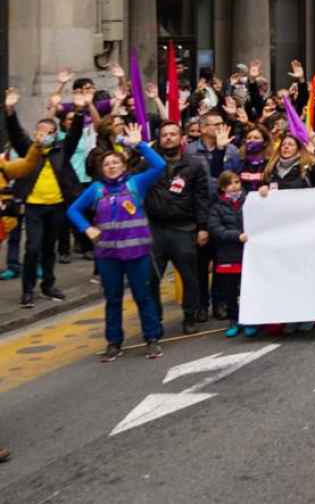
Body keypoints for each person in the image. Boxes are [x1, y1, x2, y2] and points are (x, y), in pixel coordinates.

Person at [67, 132, 168, 361]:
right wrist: (86, 228)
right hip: (107, 255)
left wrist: (138, 144)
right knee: (113, 299)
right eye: (106, 164)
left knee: (143, 296)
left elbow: (159, 165)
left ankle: (152, 340)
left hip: (137, 253)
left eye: (115, 162)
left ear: (124, 166)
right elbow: (72, 210)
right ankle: (113, 343)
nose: (111, 166)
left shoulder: (136, 183)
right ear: (101, 169)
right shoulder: (95, 190)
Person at [4, 88, 88, 308]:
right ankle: (28, 290)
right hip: (33, 207)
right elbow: (14, 132)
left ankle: (48, 285)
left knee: (50, 248)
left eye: (48, 131)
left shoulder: (62, 149)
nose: (43, 134)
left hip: (57, 206)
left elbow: (76, 133)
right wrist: (10, 110)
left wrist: (79, 110)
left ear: (55, 134)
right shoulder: (28, 150)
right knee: (32, 248)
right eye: (40, 131)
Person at [145, 120, 211, 335]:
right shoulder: (147, 164)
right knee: (151, 278)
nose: (169, 138)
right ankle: (156, 321)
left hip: (184, 228)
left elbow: (202, 198)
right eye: (164, 135)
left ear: (181, 138)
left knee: (189, 276)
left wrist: (202, 227)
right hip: (155, 229)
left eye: (173, 134)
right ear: (159, 139)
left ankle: (190, 315)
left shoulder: (194, 165)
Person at [206, 171, 253, 337]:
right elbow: (215, 229)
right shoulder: (216, 207)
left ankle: (249, 320)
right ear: (223, 188)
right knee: (230, 291)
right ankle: (234, 320)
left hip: (248, 253)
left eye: (237, 182)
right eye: (230, 184)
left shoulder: (250, 201)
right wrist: (236, 236)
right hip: (227, 254)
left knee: (247, 289)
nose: (234, 186)